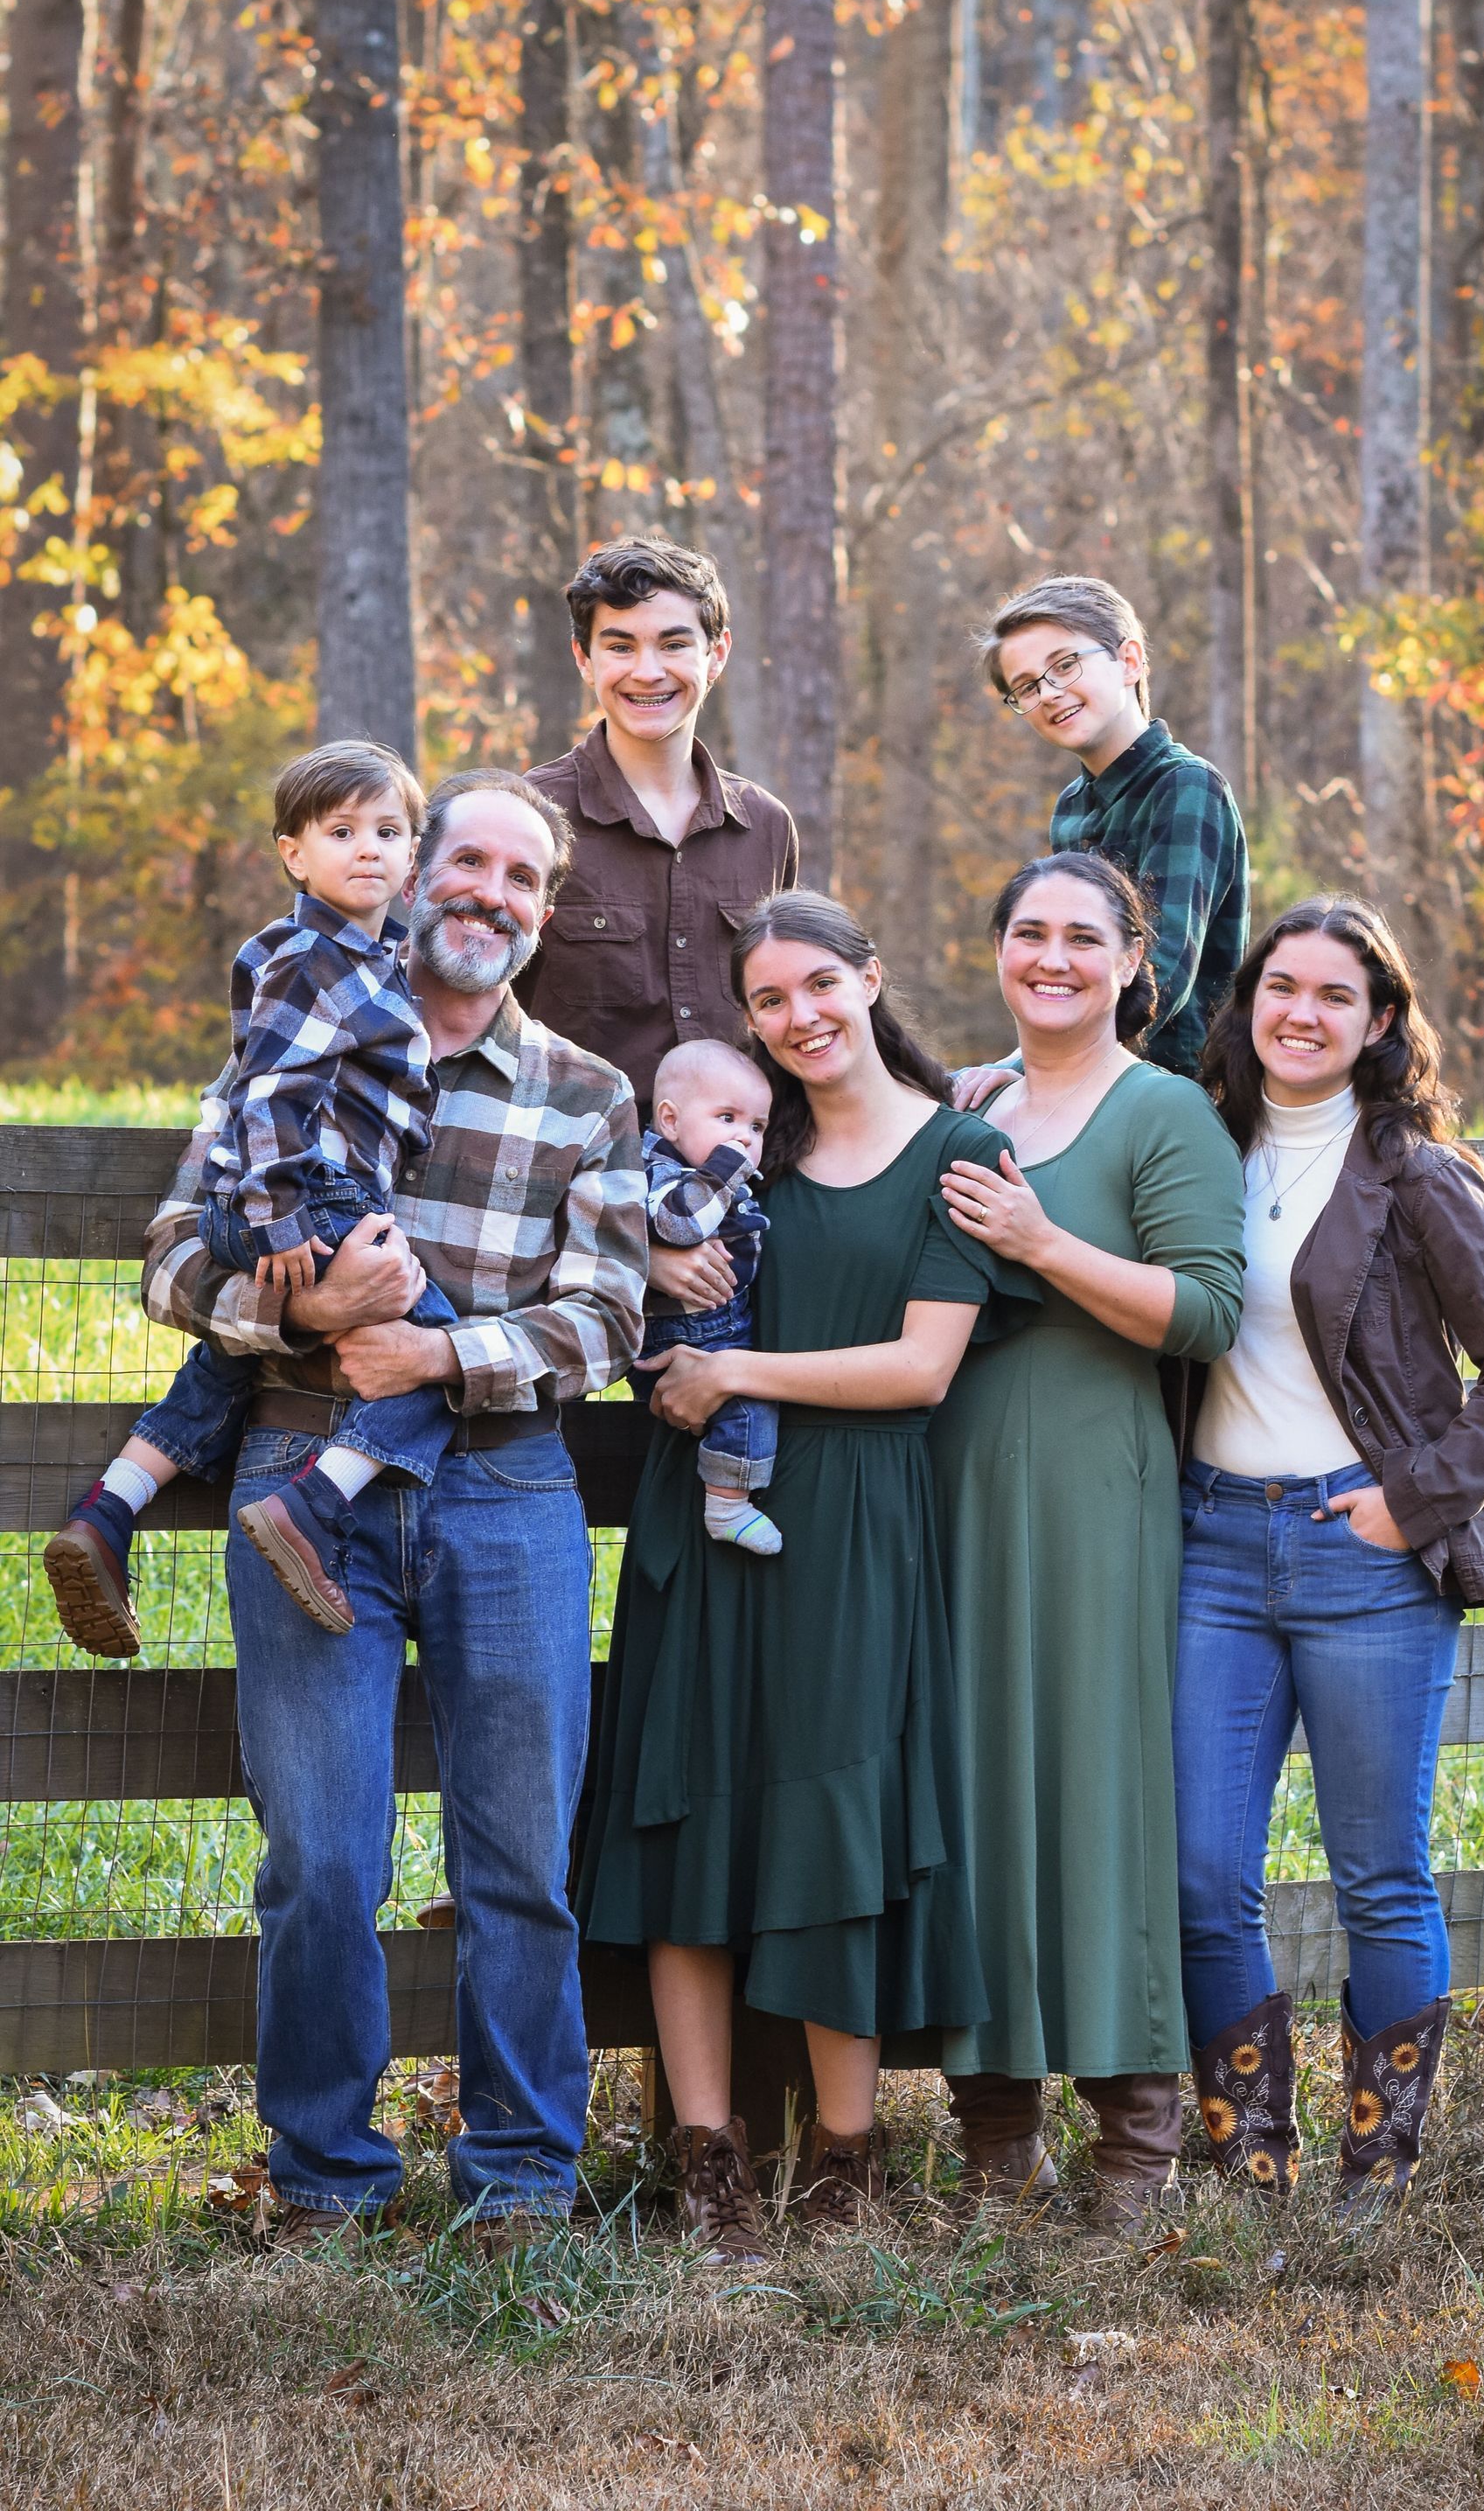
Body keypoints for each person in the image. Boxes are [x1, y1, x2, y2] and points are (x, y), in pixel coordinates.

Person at [136, 768, 647, 2250]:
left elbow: (606, 1321)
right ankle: (324, 2181)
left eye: (521, 877)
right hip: (306, 1479)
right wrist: (283, 1316)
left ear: (543, 916)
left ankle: (521, 2179)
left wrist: (437, 1352)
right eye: (463, 860)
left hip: (506, 1492)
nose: (488, 890)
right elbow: (173, 1259)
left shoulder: (585, 1096)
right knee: (322, 1862)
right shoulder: (295, 1035)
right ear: (412, 876)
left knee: (520, 1865)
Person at [577, 891, 1033, 2263]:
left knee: (835, 1823)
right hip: (699, 1521)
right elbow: (595, 1241)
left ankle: (848, 2156)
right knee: (686, 1812)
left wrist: (735, 1371)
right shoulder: (731, 1147)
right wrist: (653, 1256)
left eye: (818, 985)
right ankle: (706, 2158)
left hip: (852, 1519)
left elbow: (921, 1368)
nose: (798, 1018)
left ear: (870, 976)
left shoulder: (960, 1150)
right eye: (768, 1001)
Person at [1176, 897, 1484, 2212]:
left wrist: (1414, 1503)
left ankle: (1375, 2165)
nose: (1299, 1013)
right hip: (1212, 1545)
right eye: (1278, 987)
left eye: (1334, 996)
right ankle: (1248, 2158)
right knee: (1199, 1867)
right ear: (1247, 1003)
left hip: (1365, 1557)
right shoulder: (1198, 1144)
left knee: (1378, 1873)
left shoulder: (1414, 1174)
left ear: (1380, 1020)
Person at [929, 852, 1245, 2232]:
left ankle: (1135, 2141)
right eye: (1027, 933)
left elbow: (1206, 1313)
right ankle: (995, 2132)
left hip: (1096, 1490)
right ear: (996, 949)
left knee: (1102, 1796)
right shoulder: (963, 1102)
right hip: (948, 1491)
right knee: (973, 1790)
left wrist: (1046, 1244)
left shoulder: (1165, 1110)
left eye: (1081, 938)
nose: (1050, 956)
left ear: (1131, 963)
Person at [45, 742, 470, 1656]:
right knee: (437, 1361)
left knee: (229, 1360)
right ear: (294, 854)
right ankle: (312, 1508)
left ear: (412, 859)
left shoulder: (369, 960)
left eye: (389, 833)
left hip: (295, 1194)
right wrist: (281, 1218)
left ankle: (110, 1509)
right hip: (312, 1195)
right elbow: (269, 1092)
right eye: (342, 831)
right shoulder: (315, 960)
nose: (369, 849)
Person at [518, 534, 799, 1119]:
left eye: (673, 644)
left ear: (716, 654)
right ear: (584, 659)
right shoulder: (527, 817)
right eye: (620, 646)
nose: (647, 673)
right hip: (570, 1181)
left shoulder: (767, 828)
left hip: (736, 1180)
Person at [956, 575, 1249, 1106]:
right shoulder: (1071, 807)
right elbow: (1066, 965)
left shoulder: (1185, 786)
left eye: (1066, 665)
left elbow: (1162, 976)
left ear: (1130, 661)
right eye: (1025, 686)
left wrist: (1027, 1066)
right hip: (1087, 1081)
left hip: (1175, 1092)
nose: (1048, 693)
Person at [637, 1038, 780, 1557]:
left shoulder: (711, 1172)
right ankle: (727, 1507)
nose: (744, 1137)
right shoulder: (659, 1169)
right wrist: (723, 1171)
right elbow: (677, 1225)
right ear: (670, 1122)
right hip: (687, 1332)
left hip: (719, 1321)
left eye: (757, 1126)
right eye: (727, 1118)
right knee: (746, 1407)